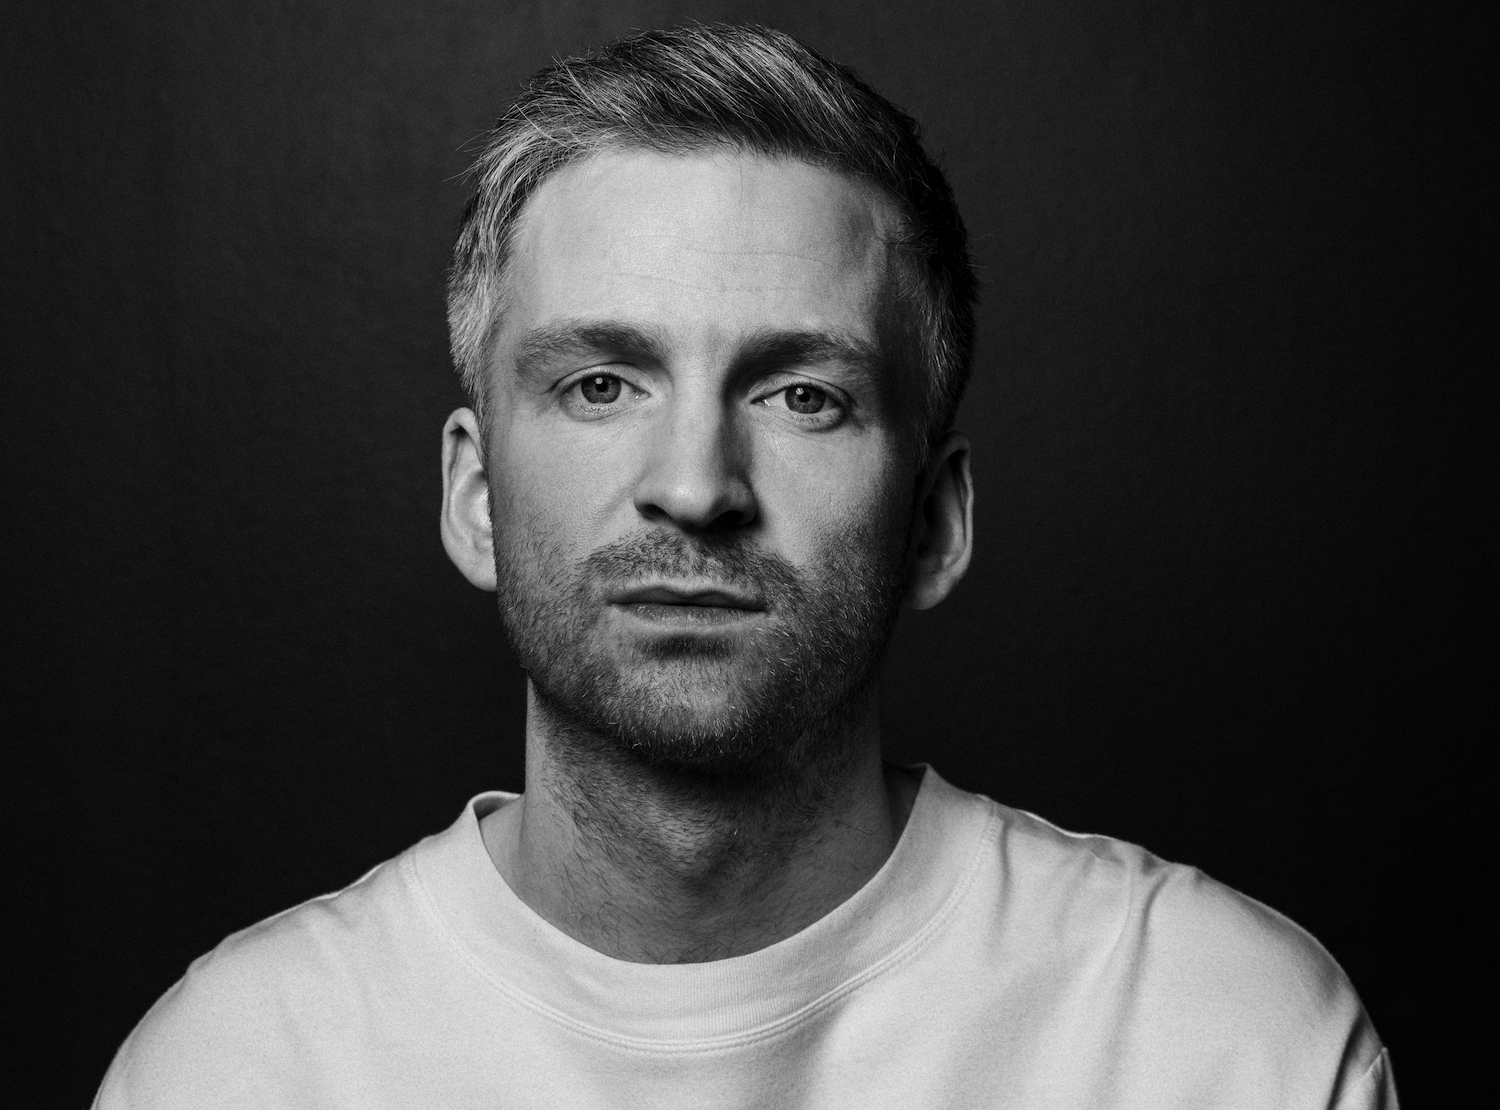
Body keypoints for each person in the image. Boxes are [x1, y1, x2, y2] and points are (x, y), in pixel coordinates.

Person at [94, 24, 1396, 1109]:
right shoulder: (236, 1069)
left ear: (934, 520)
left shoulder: (1224, 1043)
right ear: (475, 497)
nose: (697, 484)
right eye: (602, 383)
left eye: (802, 395)